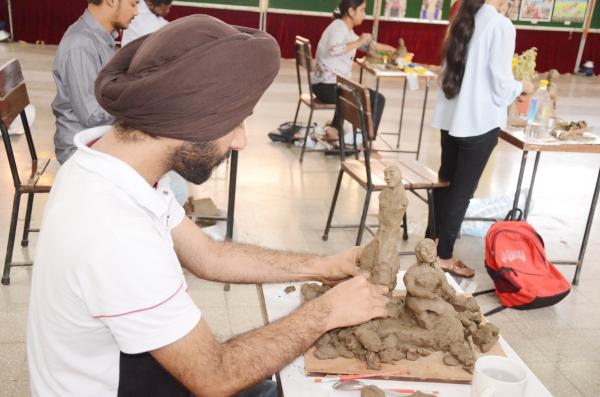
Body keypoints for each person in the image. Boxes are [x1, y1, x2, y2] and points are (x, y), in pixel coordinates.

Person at [27, 15, 389, 397]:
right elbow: (213, 377)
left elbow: (208, 256)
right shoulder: (115, 229)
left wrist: (323, 266)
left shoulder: (112, 164)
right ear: (189, 119)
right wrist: (326, 312)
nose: (241, 142)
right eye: (235, 123)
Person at [428, 0, 534, 277]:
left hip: (451, 117)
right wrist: (524, 85)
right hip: (479, 121)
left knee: (446, 181)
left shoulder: (463, 18)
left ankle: (431, 244)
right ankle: (444, 257)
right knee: (461, 192)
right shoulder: (500, 25)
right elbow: (501, 87)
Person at [52, 0, 139, 164]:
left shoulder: (102, 38)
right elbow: (92, 115)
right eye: (133, 4)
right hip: (81, 149)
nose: (136, 13)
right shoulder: (81, 45)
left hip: (100, 138)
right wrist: (135, 103)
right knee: (170, 173)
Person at [121, 0, 191, 204]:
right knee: (178, 191)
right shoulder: (142, 21)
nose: (169, 10)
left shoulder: (147, 19)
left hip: (135, 111)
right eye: (166, 6)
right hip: (130, 124)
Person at [312, 0, 396, 144]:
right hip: (326, 88)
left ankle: (335, 129)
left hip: (330, 85)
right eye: (362, 10)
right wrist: (360, 41)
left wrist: (391, 49)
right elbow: (334, 49)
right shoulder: (338, 28)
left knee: (350, 89)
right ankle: (363, 141)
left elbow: (367, 46)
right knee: (375, 99)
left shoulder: (345, 29)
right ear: (351, 11)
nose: (364, 14)